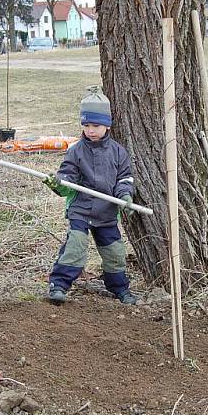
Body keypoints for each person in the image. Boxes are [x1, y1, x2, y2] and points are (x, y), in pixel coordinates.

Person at [44, 86, 138, 306]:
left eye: (96, 125)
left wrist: (125, 197)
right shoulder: (76, 151)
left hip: (107, 212)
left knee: (114, 252)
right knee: (75, 247)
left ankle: (120, 289)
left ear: (107, 125)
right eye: (86, 125)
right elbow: (67, 179)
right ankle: (58, 285)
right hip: (81, 209)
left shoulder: (118, 152)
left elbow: (124, 180)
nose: (91, 130)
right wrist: (58, 184)